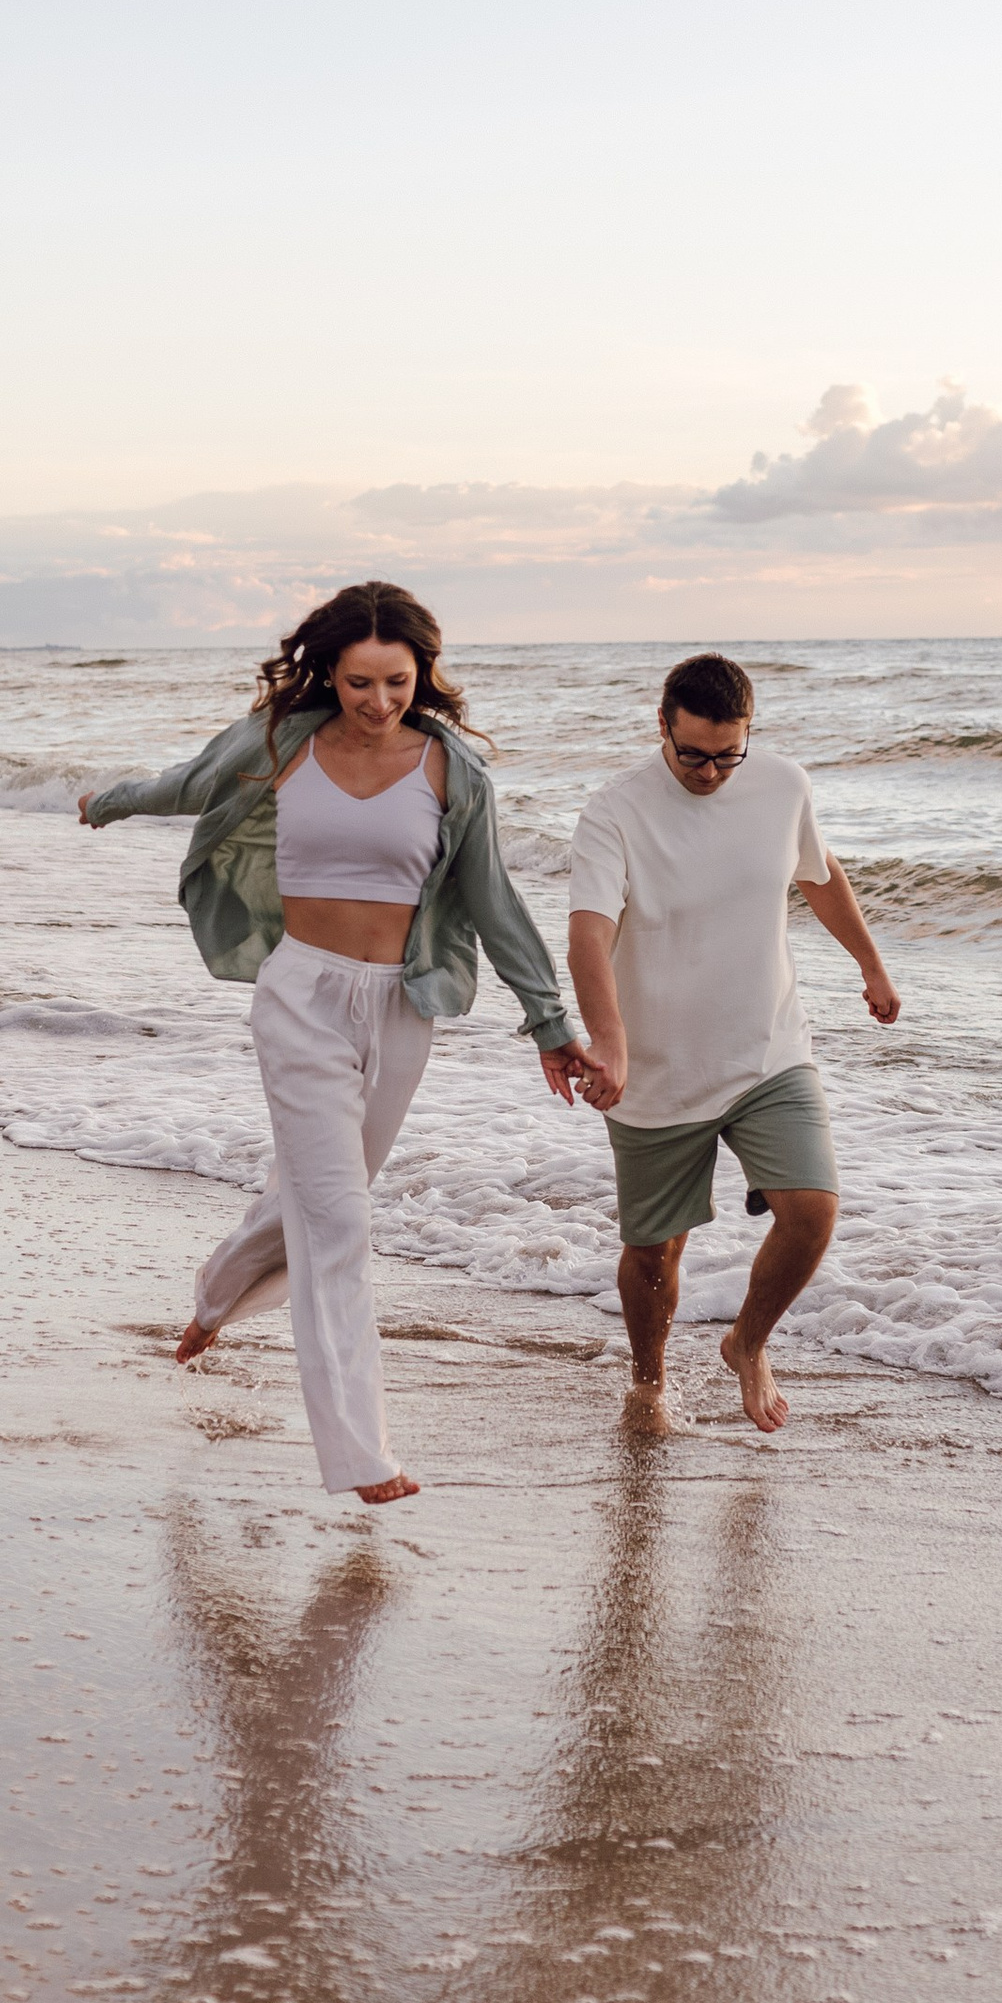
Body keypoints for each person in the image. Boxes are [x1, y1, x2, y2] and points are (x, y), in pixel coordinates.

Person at [77, 581, 588, 1505]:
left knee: (321, 1200)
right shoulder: (283, 741)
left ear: (421, 675)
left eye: (397, 682)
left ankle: (217, 1289)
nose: (379, 701)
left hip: (404, 1004)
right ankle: (362, 1455)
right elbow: (188, 783)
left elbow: (494, 900)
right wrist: (106, 801)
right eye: (361, 682)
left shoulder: (451, 770)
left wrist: (550, 1025)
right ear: (331, 671)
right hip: (302, 995)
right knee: (343, 1221)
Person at [567, 651, 899, 1439]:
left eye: (727, 755)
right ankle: (648, 1381)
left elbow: (818, 876)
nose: (711, 771)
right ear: (662, 727)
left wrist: (871, 963)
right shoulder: (614, 812)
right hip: (655, 1071)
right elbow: (588, 935)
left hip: (767, 1049)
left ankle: (746, 1344)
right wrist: (609, 1042)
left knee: (812, 1211)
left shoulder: (783, 785)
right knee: (653, 1257)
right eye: (692, 755)